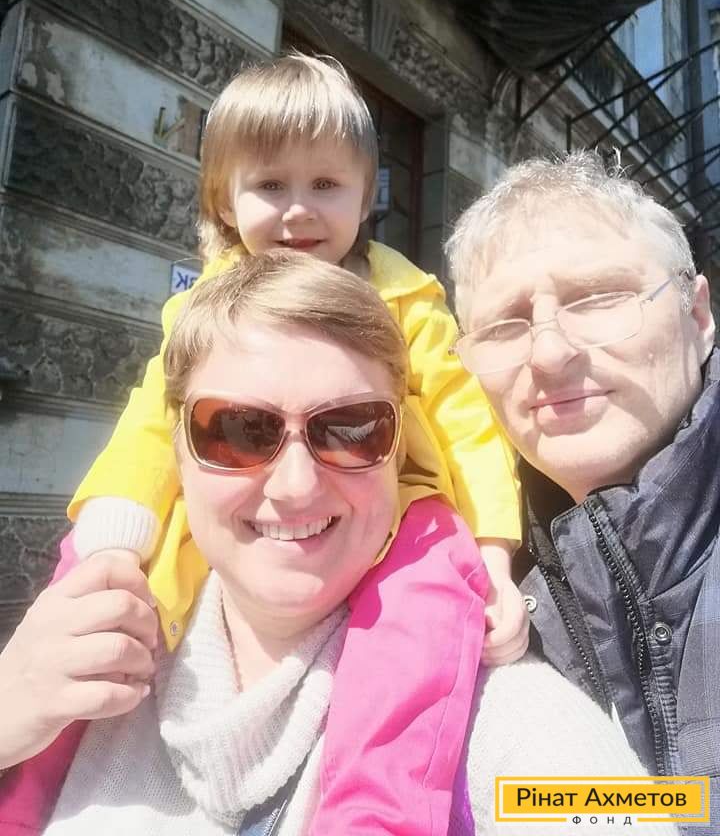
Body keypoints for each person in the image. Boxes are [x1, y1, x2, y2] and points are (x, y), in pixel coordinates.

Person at [0, 253, 679, 836]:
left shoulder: (512, 721)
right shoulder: (57, 677)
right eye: (237, 430)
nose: (296, 485)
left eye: (351, 429)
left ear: (401, 454)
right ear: (174, 449)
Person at [446, 150, 719, 833]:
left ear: (698, 315)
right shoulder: (460, 590)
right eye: (504, 325)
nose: (548, 354)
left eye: (597, 298)